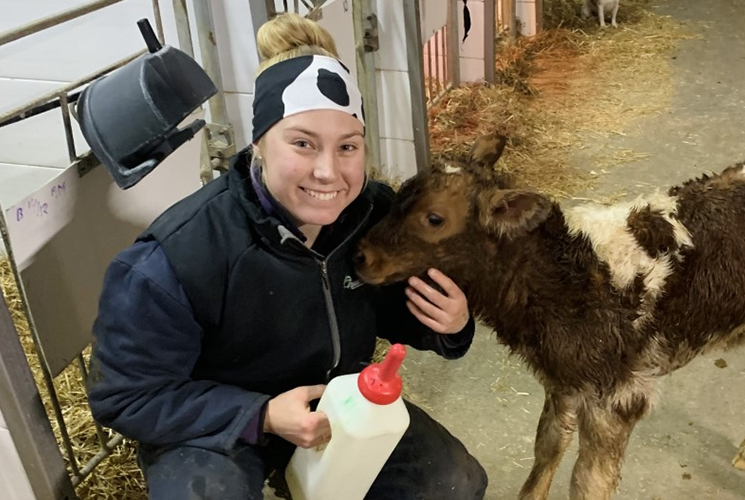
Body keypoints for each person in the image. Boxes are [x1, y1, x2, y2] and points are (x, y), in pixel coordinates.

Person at [86, 13, 487, 500]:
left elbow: (398, 308)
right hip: (219, 426)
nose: (328, 171)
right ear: (260, 142)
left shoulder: (374, 215)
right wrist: (262, 415)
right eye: (302, 143)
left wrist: (450, 323)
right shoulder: (174, 258)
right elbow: (127, 395)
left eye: (347, 147)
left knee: (453, 484)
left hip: (336, 402)